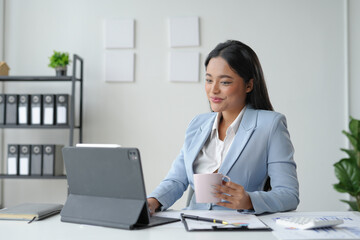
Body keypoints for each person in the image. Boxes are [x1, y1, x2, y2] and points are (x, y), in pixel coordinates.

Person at [147, 40, 299, 215]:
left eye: (225, 82)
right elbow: (176, 180)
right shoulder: (198, 124)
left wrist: (249, 201)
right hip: (193, 224)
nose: (213, 90)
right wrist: (152, 202)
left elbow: (289, 194)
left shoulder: (270, 124)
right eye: (209, 80)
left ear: (249, 85)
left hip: (240, 227)